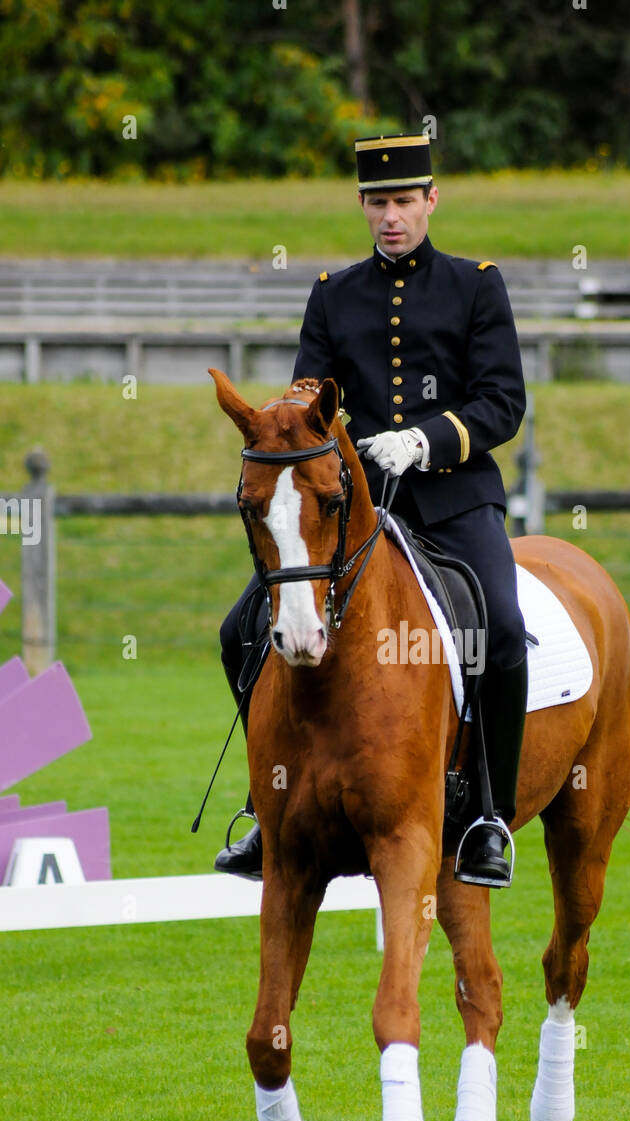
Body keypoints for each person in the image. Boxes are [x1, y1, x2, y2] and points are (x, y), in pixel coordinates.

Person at [216, 132, 527, 887]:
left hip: (453, 499)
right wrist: (280, 414)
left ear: (430, 201)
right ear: (362, 206)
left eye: (404, 202)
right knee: (240, 628)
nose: (391, 217)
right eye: (378, 203)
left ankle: (487, 815)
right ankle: (268, 806)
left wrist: (423, 442)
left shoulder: (475, 286)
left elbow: (501, 402)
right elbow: (307, 396)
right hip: (354, 510)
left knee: (504, 631)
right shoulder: (332, 293)